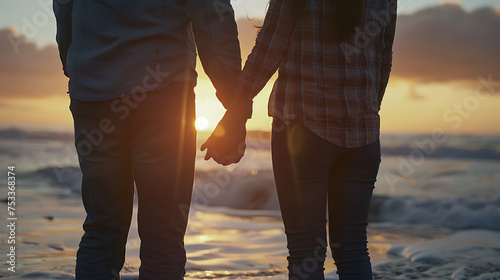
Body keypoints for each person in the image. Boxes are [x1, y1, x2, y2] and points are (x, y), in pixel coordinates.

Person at [202, 0, 397, 279]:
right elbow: (383, 59)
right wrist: (366, 110)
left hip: (302, 131)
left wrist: (235, 116)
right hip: (363, 136)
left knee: (306, 253)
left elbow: (270, 47)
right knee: (353, 249)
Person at [53, 0, 242, 279]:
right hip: (161, 91)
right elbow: (210, 13)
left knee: (102, 229)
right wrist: (235, 105)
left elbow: (64, 6)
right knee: (163, 235)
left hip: (92, 90)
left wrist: (75, 59)